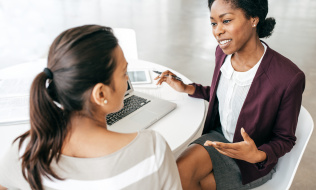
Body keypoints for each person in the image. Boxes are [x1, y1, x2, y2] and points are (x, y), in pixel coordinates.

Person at [0, 25, 182, 190]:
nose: (128, 79)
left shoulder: (24, 153)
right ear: (101, 94)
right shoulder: (152, 150)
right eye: (124, 73)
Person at [155, 0, 305, 189]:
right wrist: (187, 88)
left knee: (190, 182)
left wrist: (257, 155)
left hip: (250, 162)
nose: (217, 31)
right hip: (219, 138)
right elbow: (225, 95)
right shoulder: (223, 53)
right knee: (176, 173)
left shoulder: (288, 77)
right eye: (213, 23)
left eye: (226, 21)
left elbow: (285, 139)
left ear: (253, 19)